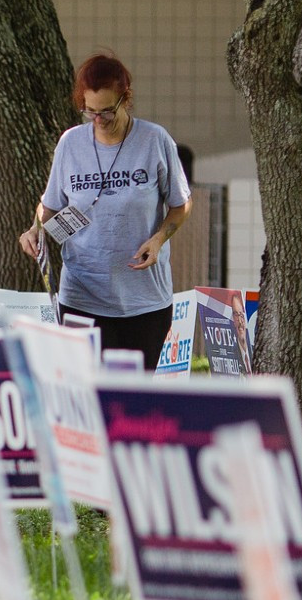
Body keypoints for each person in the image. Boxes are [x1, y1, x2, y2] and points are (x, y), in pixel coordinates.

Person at [19, 53, 192, 369]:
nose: (98, 119)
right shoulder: (70, 144)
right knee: (90, 396)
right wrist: (35, 229)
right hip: (82, 296)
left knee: (131, 403)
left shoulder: (154, 141)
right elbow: (51, 204)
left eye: (107, 111)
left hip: (144, 300)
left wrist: (158, 240)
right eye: (89, 111)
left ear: (126, 99)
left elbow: (181, 204)